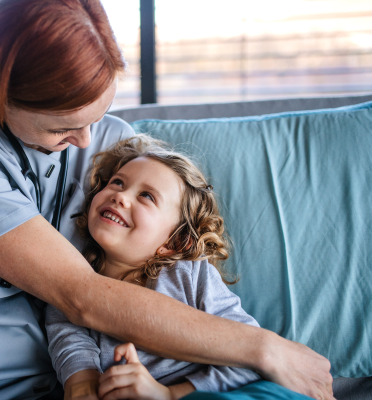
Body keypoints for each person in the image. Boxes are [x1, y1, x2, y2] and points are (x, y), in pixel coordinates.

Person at [0, 1, 334, 399]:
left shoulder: (111, 141)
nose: (87, 140)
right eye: (63, 128)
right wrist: (267, 349)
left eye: (96, 116)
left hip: (53, 376)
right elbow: (79, 295)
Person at [46, 135, 263, 399]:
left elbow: (251, 355)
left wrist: (169, 394)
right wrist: (82, 383)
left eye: (146, 196)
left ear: (175, 241)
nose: (120, 197)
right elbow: (69, 340)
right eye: (117, 182)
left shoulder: (189, 275)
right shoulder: (73, 274)